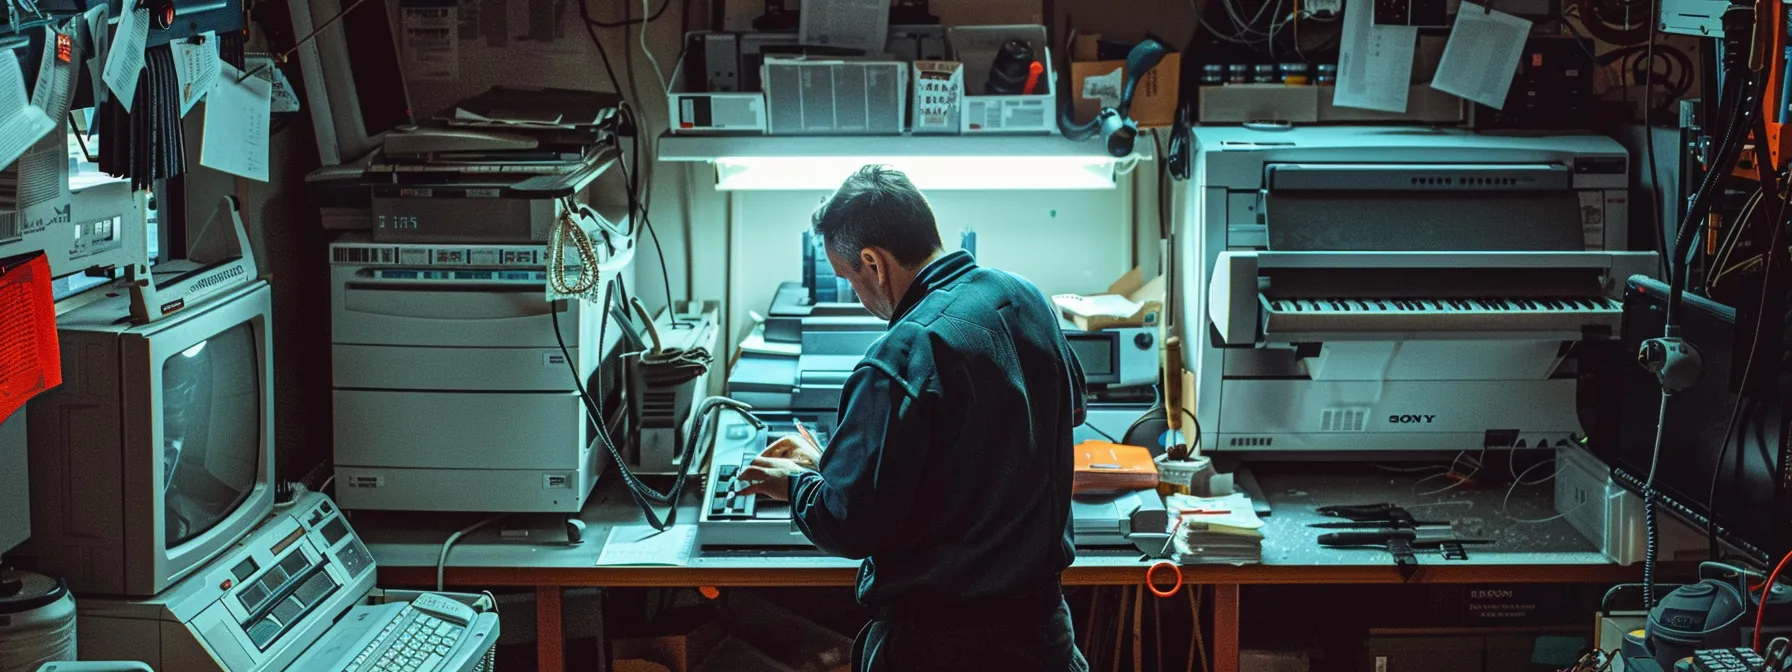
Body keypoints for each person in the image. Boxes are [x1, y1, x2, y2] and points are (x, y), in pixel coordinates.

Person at [739, 165, 1090, 672]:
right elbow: (1048, 418)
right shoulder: (1024, 296)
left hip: (941, 647)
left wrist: (799, 486)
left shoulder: (901, 355)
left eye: (848, 279)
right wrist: (839, 468)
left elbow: (850, 525)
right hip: (1044, 638)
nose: (859, 299)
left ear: (873, 262)